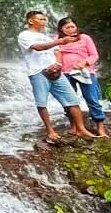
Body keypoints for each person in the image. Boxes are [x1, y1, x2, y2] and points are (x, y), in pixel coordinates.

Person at [17, 10, 93, 143]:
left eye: (44, 20)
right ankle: (50, 130)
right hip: (38, 72)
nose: (43, 22)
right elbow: (38, 47)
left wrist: (58, 64)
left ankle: (81, 129)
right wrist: (60, 41)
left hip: (56, 72)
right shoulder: (25, 35)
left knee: (73, 99)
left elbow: (57, 52)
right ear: (31, 21)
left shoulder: (47, 37)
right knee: (42, 102)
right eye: (40, 19)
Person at [55, 17, 110, 138]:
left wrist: (84, 63)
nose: (70, 30)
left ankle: (101, 128)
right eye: (67, 27)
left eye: (73, 27)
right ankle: (74, 126)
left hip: (86, 72)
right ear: (61, 29)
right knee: (69, 101)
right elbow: (55, 56)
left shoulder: (84, 38)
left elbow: (94, 55)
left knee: (92, 99)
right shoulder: (58, 40)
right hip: (66, 73)